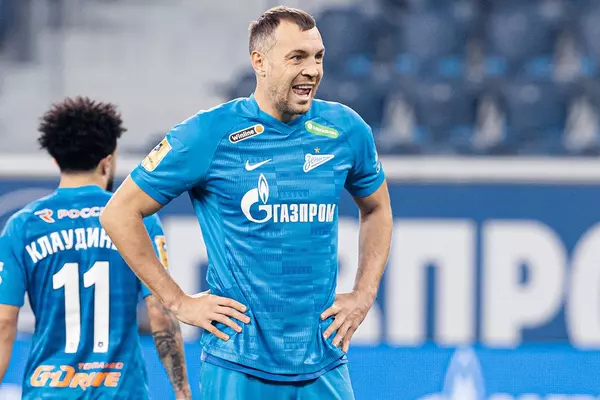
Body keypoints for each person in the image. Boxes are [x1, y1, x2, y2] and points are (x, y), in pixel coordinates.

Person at [100, 5, 392, 399]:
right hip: (238, 365)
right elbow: (119, 213)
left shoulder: (347, 129)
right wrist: (177, 302)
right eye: (297, 58)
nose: (312, 70)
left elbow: (376, 208)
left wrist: (364, 294)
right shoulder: (208, 133)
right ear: (260, 62)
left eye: (318, 57)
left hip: (324, 360)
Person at [0, 97, 191, 399]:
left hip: (48, 391)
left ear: (55, 160)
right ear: (108, 160)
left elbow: (4, 322)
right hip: (121, 392)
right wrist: (182, 391)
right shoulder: (138, 219)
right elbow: (160, 311)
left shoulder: (23, 225)